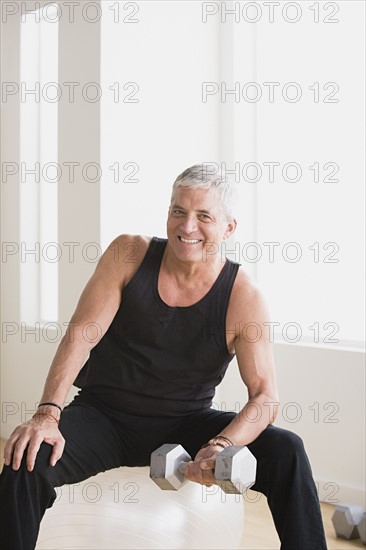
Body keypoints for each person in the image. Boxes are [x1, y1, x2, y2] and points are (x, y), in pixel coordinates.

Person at [0, 165, 327, 549]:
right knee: (26, 460)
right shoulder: (129, 253)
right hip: (103, 416)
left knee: (287, 449)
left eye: (203, 216)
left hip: (186, 423)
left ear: (228, 228)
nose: (187, 227)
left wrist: (220, 444)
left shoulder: (244, 296)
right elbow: (80, 336)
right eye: (178, 211)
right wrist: (47, 414)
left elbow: (265, 396)